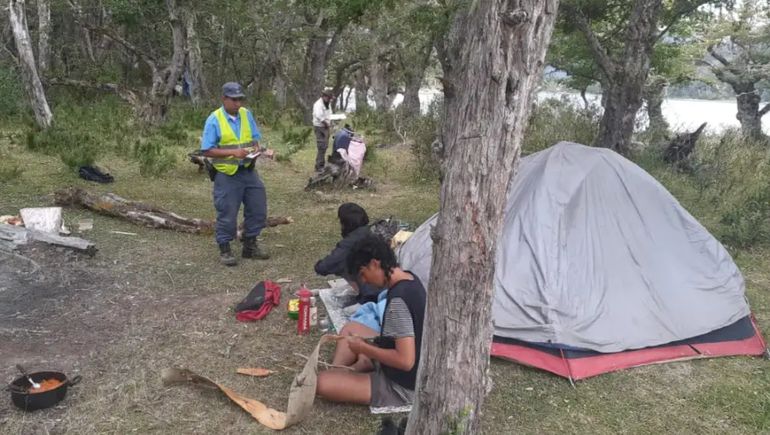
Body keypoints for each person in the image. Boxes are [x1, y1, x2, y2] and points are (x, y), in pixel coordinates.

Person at [316, 235, 426, 408]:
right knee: (351, 328)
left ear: (375, 264)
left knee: (322, 382)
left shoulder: (398, 301)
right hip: (410, 357)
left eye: (363, 274)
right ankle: (344, 369)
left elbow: (406, 361)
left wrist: (364, 348)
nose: (364, 281)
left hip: (402, 385)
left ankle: (349, 370)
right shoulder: (410, 278)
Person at [201, 82, 270, 266]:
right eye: (234, 100)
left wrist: (258, 150)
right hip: (226, 174)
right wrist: (233, 153)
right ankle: (225, 249)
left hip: (248, 170)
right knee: (227, 211)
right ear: (224, 99)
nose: (238, 103)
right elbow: (207, 150)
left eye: (240, 99)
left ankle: (250, 245)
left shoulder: (246, 114)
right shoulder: (214, 119)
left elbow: (254, 139)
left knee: (258, 207)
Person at [314, 203, 382, 305]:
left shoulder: (351, 242)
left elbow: (325, 266)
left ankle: (367, 298)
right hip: (390, 283)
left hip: (373, 293)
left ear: (345, 223)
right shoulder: (373, 231)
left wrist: (318, 265)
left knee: (345, 263)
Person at [312, 89, 334, 172]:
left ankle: (322, 164)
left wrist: (331, 121)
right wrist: (326, 123)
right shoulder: (318, 104)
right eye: (328, 98)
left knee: (325, 146)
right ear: (324, 97)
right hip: (320, 127)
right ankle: (318, 166)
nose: (329, 100)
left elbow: (329, 114)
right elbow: (319, 116)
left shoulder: (327, 103)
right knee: (321, 146)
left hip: (326, 127)